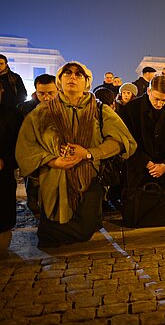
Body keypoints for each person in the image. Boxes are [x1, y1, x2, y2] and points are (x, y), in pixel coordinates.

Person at [16, 62, 136, 247]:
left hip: (88, 182)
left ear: (87, 82)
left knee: (84, 232)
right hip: (53, 184)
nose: (72, 77)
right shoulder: (42, 112)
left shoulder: (100, 110)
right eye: (67, 73)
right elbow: (26, 146)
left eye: (79, 74)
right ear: (60, 80)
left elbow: (122, 141)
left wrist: (88, 153)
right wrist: (53, 161)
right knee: (52, 235)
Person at [120, 76, 165, 201]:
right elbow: (125, 141)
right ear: (149, 91)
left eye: (164, 100)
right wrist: (146, 163)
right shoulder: (131, 109)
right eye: (156, 99)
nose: (159, 104)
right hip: (138, 174)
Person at [16, 74, 59, 215]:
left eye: (50, 93)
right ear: (35, 91)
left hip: (56, 157)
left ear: (58, 90)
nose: (46, 97)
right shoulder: (24, 109)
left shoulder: (64, 107)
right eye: (42, 93)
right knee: (34, 189)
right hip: (34, 156)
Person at [0, 90, 23, 250]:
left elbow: (20, 145)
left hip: (3, 175)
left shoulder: (12, 114)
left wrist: (6, 161)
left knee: (3, 220)